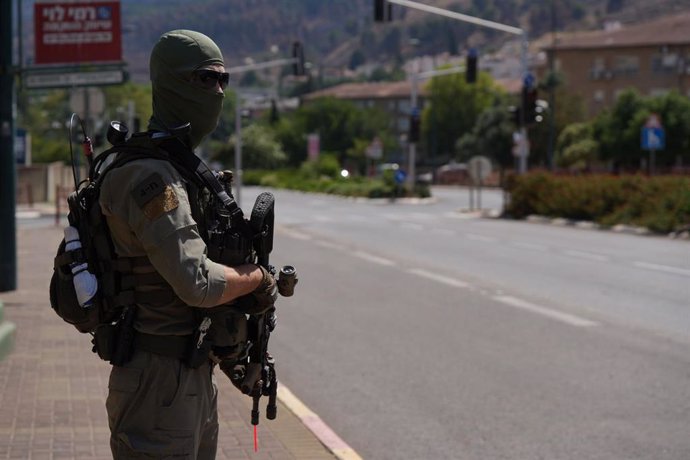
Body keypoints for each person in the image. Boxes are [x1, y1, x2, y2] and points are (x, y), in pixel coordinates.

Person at [98, 29, 276, 459]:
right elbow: (198, 283)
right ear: (171, 83)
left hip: (191, 373)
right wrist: (256, 279)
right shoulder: (150, 179)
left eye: (222, 81)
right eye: (204, 79)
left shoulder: (182, 170)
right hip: (156, 381)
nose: (216, 92)